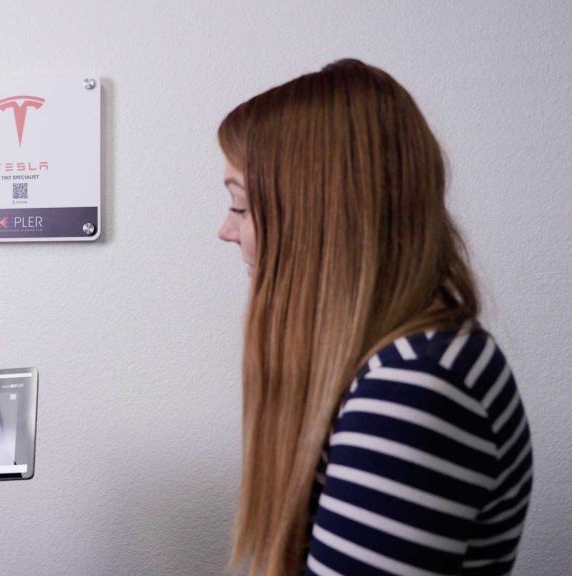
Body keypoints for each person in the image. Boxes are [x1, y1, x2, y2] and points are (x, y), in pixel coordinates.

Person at [216, 60, 532, 576]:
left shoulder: (413, 384)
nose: (227, 232)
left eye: (242, 207)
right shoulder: (398, 365)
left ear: (318, 218)